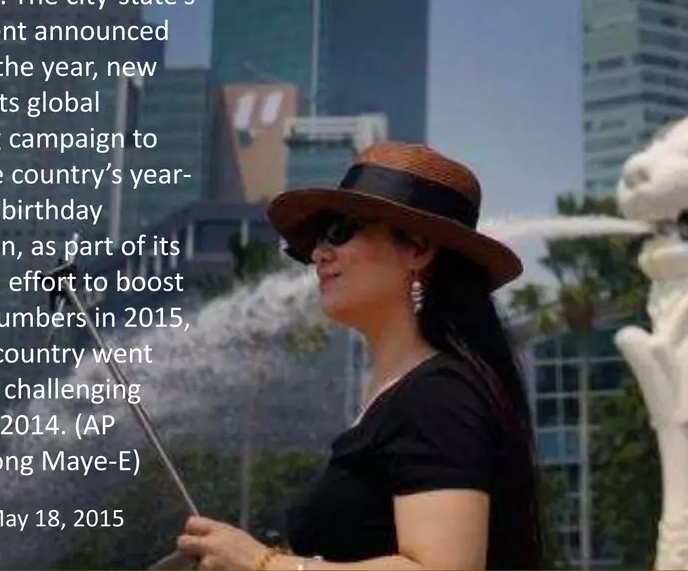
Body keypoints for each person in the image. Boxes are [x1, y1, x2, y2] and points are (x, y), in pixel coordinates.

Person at [175, 142, 548, 571]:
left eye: (339, 231)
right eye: (319, 237)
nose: (319, 253)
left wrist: (262, 563)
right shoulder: (400, 396)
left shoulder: (437, 397)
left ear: (418, 249)